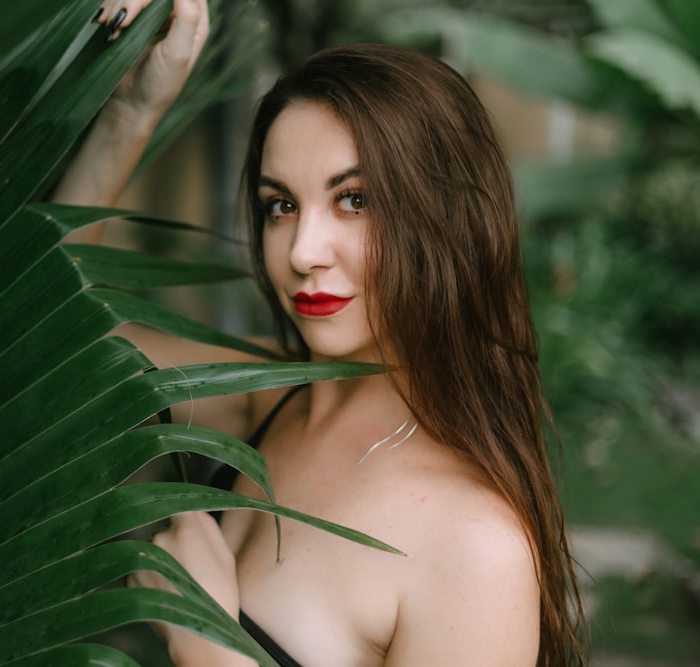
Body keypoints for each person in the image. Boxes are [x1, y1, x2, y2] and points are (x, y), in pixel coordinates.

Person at [54, 1, 588, 665]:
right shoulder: (261, 400)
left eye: (354, 199)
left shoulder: (477, 550)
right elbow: (52, 344)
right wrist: (134, 108)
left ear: (447, 220)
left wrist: (204, 640)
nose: (304, 249)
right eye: (281, 205)